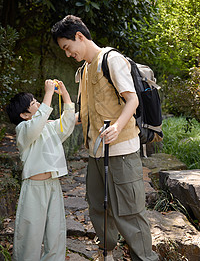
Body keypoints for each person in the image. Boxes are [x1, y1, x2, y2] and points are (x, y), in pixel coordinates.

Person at [51, 15, 158, 261]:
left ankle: (145, 258)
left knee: (129, 212)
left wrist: (118, 127)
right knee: (99, 208)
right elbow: (87, 112)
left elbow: (132, 100)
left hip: (121, 151)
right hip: (96, 153)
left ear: (79, 36)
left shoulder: (112, 60)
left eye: (68, 48)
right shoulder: (85, 69)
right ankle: (107, 252)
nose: (68, 54)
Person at [6, 79, 75, 261]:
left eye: (38, 101)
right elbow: (37, 124)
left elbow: (67, 125)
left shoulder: (48, 127)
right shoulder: (23, 130)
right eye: (33, 103)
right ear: (24, 115)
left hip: (53, 185)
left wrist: (65, 94)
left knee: (56, 233)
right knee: (30, 234)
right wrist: (48, 93)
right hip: (33, 189)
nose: (38, 104)